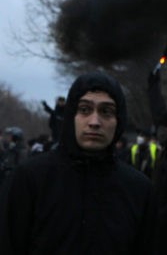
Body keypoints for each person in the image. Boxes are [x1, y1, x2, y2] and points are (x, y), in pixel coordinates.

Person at [0, 71, 157, 255]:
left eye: (106, 111)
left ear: (118, 120)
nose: (94, 122)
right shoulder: (29, 179)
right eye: (84, 110)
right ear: (71, 116)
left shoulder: (139, 190)